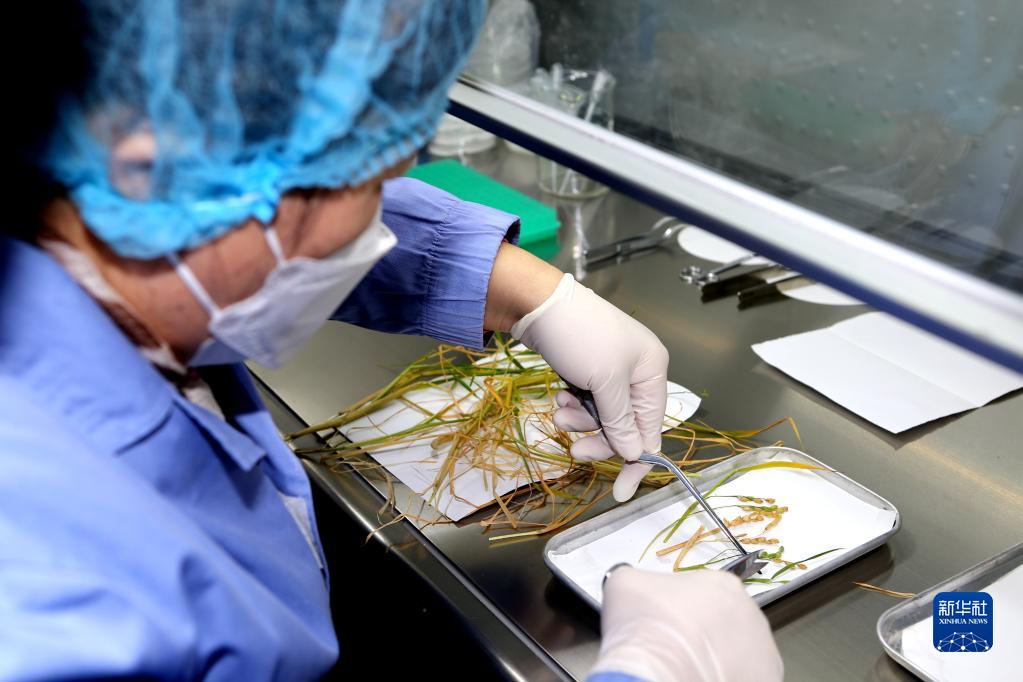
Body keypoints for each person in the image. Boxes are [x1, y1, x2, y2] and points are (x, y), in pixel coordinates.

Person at [0, 1, 781, 680]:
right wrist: (655, 669)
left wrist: (529, 294)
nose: (382, 218)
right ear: (157, 171)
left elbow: (261, 207)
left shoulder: (99, 219)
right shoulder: (47, 591)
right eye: (371, 182)